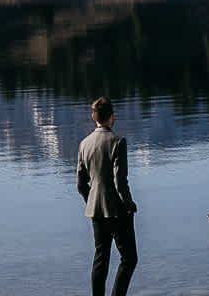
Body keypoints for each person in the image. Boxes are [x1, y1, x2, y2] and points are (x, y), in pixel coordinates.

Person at [76, 96, 138, 296]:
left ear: (94, 117)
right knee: (129, 259)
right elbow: (120, 182)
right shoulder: (118, 142)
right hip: (118, 210)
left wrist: (91, 201)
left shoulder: (84, 144)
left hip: (95, 209)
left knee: (101, 258)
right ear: (112, 117)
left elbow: (80, 183)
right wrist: (129, 205)